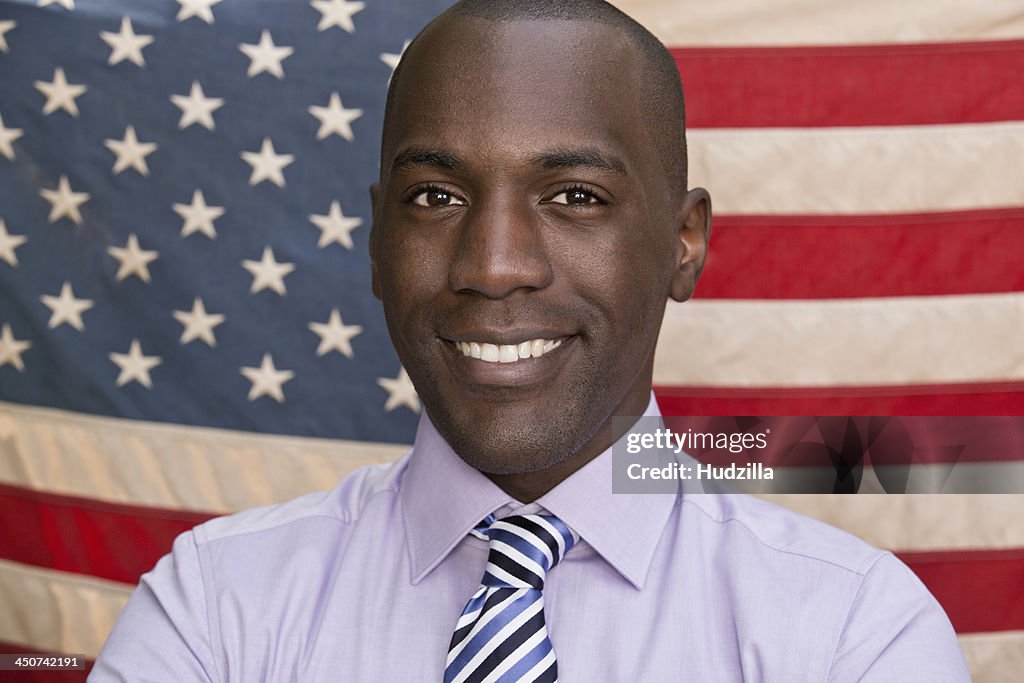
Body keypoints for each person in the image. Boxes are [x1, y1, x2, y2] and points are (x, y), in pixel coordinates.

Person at [90, 1, 970, 680]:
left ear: (684, 242)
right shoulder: (214, 608)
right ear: (373, 241)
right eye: (435, 196)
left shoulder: (853, 634)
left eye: (575, 196)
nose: (495, 265)